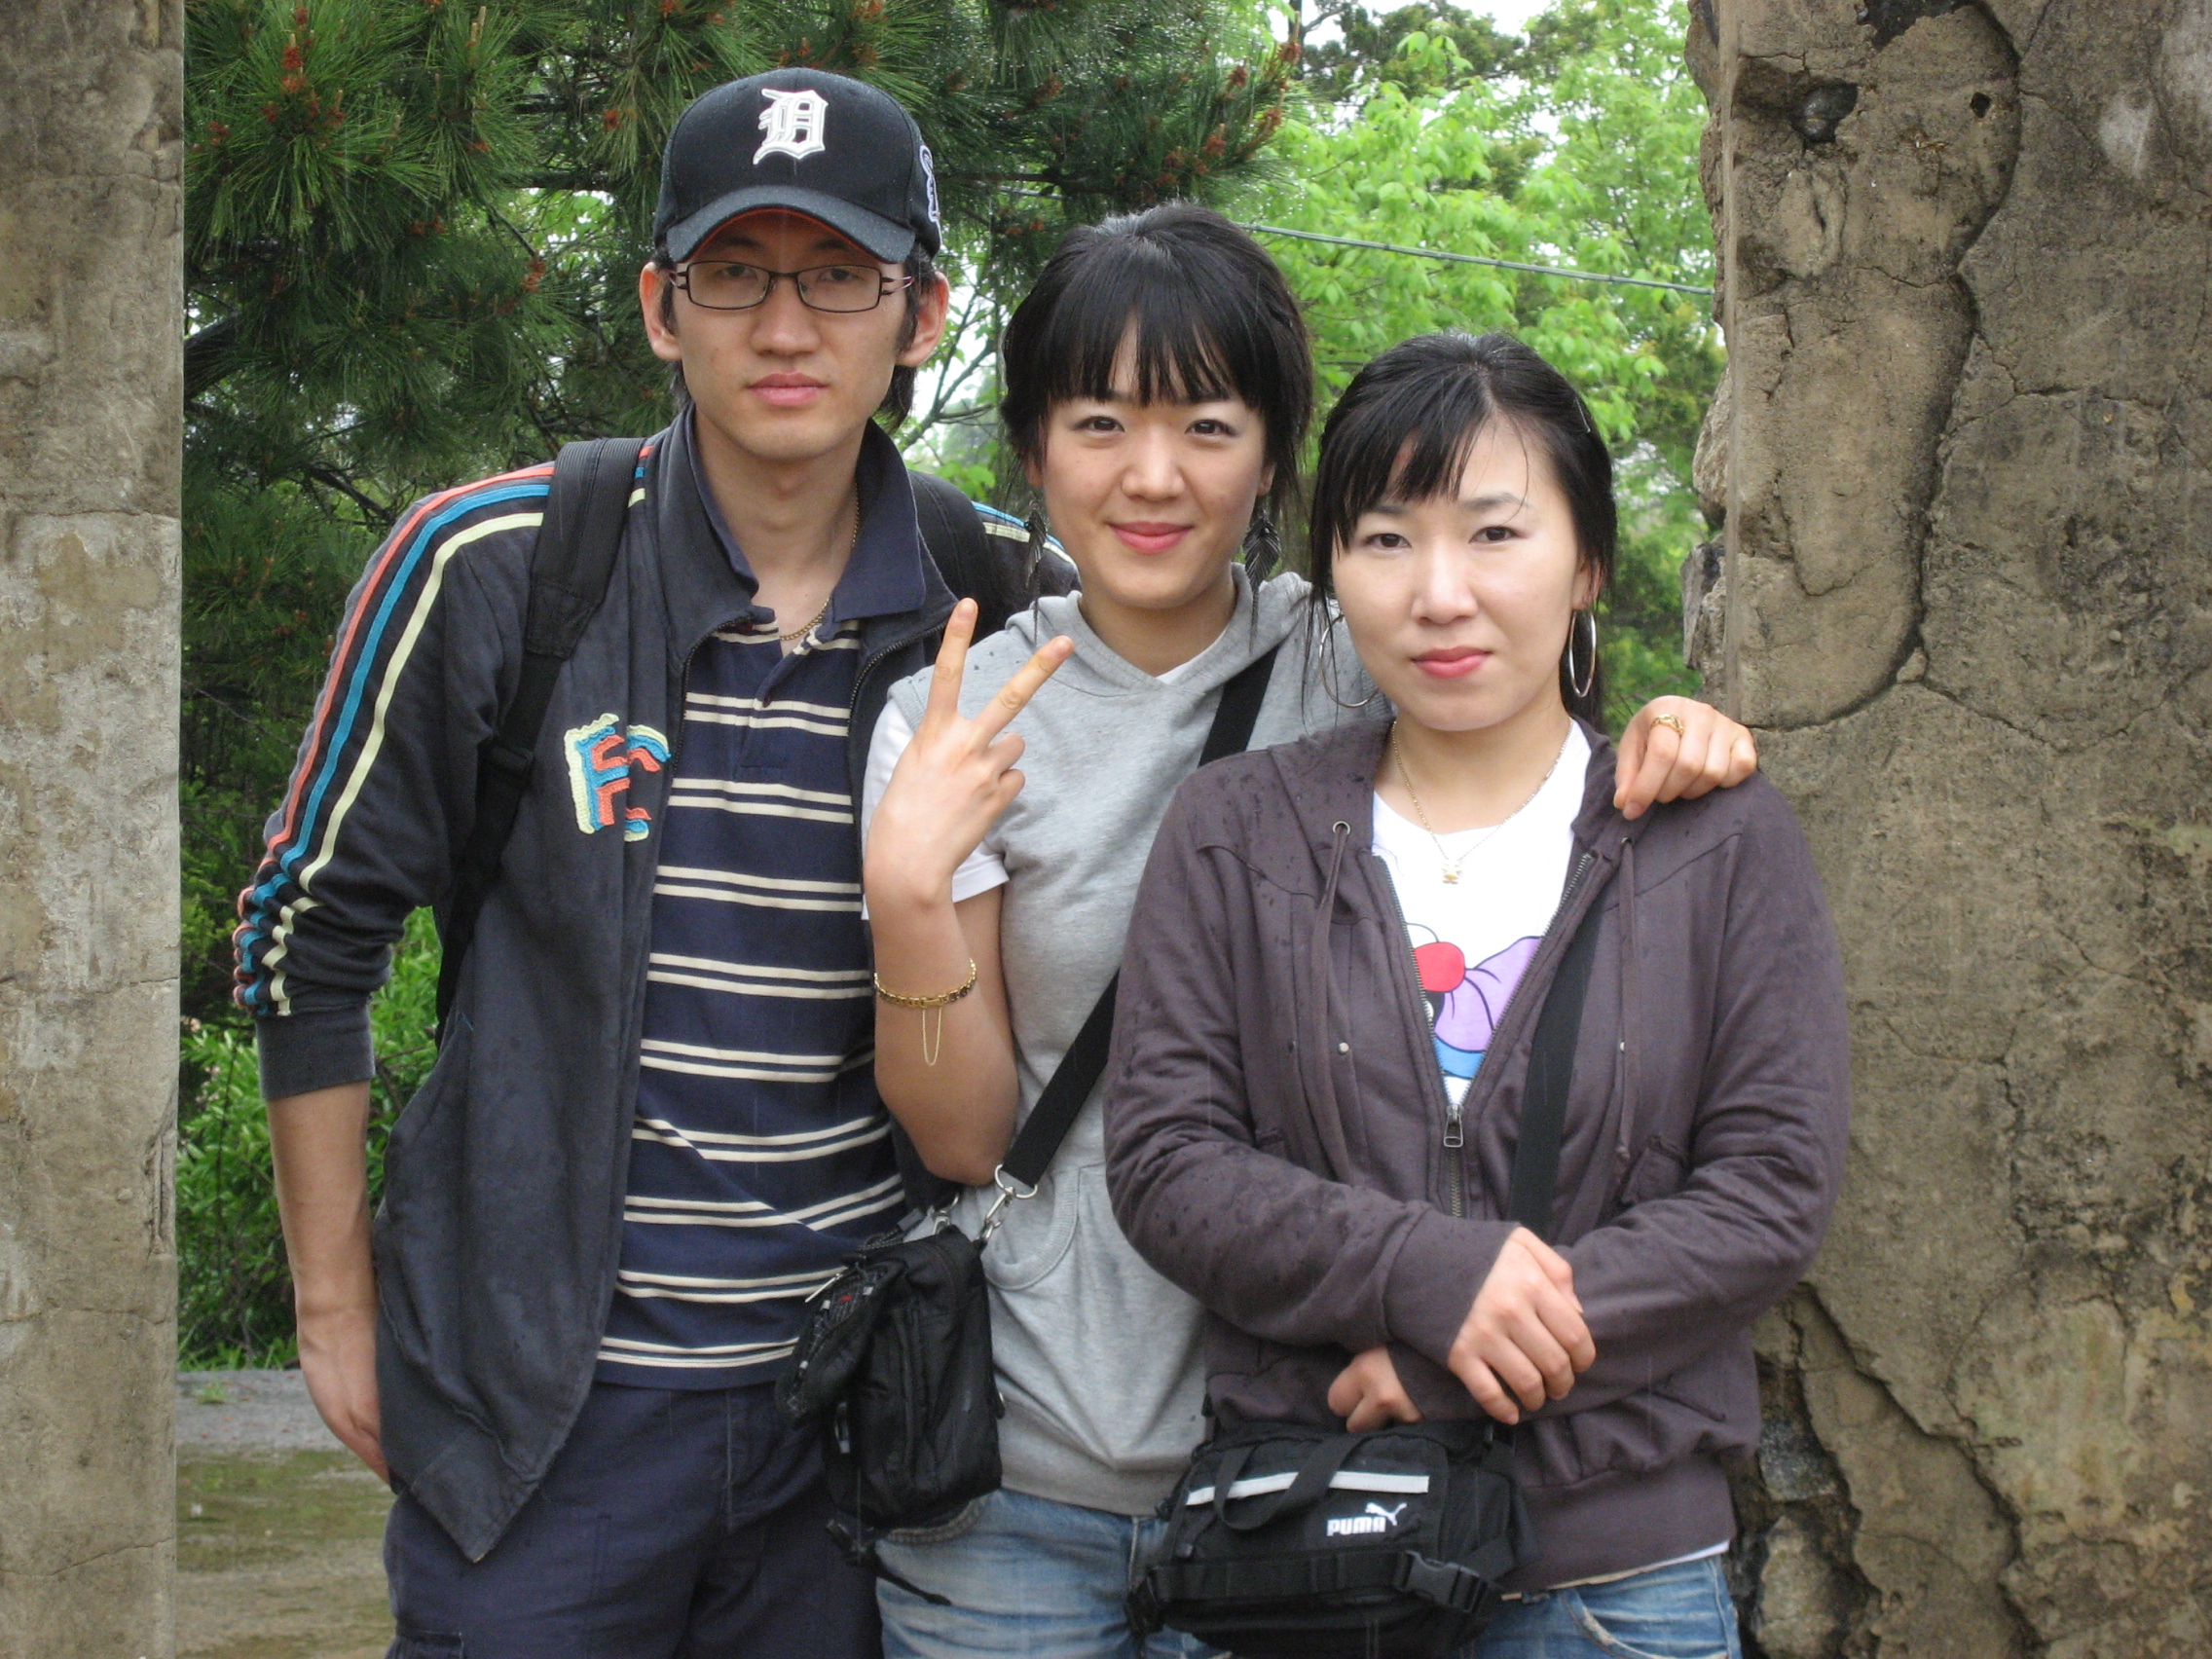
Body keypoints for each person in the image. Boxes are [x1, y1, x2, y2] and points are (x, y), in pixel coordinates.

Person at [235, 68, 1062, 1659]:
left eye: (839, 275)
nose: (785, 325)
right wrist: (334, 1313)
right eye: (733, 272)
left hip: (852, 1421)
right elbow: (305, 936)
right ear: (658, 307)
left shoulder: (1000, 603)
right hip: (546, 1426)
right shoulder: (495, 567)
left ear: (922, 312)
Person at [858, 218, 1765, 1658]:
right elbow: (965, 1140)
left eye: (1207, 425)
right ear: (1031, 449)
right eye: (1099, 423)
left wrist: (1663, 729)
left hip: (1325, 1454)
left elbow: (1517, 723)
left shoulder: (1358, 651)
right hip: (1038, 1443)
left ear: (1277, 456)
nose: (1153, 476)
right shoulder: (957, 719)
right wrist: (911, 898)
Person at [1101, 330, 1853, 1658]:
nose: (1440, 594)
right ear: (1334, 570)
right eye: (1385, 541)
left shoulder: (1714, 842)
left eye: (1496, 533)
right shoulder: (1236, 829)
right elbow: (1168, 1163)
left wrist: (1460, 1362)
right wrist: (1423, 1271)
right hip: (1308, 1563)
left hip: (1616, 1585)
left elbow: (1768, 1189)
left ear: (1587, 563)